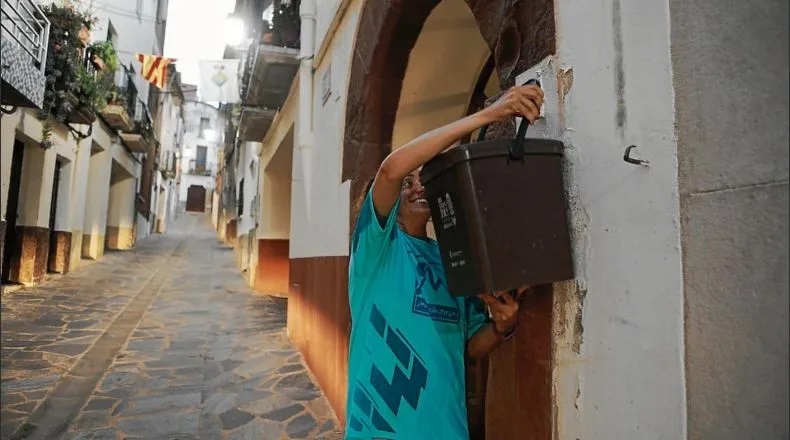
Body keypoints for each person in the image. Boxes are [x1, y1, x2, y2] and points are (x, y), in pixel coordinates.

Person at [344, 83, 545, 440]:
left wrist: (501, 326)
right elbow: (390, 171)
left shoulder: (452, 260)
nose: (417, 187)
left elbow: (470, 345)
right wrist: (492, 113)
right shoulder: (375, 252)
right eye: (409, 183)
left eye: (422, 181)